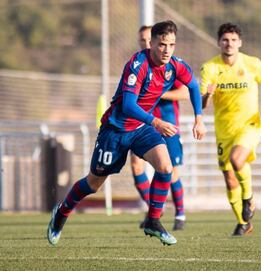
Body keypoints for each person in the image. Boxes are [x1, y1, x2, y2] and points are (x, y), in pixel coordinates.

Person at [47, 20, 206, 246]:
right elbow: (129, 105)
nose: (167, 50)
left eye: (171, 45)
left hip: (141, 129)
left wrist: (199, 119)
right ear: (151, 43)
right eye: (162, 44)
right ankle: (61, 213)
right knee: (93, 184)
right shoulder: (137, 64)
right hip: (116, 130)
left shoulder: (175, 66)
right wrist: (157, 122)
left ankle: (153, 221)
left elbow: (193, 86)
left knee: (166, 167)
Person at [200, 23, 261, 236]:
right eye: (225, 40)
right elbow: (202, 104)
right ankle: (244, 222)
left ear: (240, 43)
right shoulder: (210, 68)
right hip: (224, 130)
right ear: (218, 42)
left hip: (249, 124)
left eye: (233, 40)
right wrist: (208, 95)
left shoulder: (252, 64)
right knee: (229, 176)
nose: (229, 44)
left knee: (237, 160)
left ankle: (248, 198)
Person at [132, 25, 189, 231]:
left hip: (167, 125)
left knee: (171, 171)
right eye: (142, 40)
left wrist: (157, 92)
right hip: (142, 125)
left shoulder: (169, 66)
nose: (146, 44)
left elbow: (185, 93)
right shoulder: (138, 64)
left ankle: (180, 214)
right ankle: (155, 210)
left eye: (148, 39)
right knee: (136, 167)